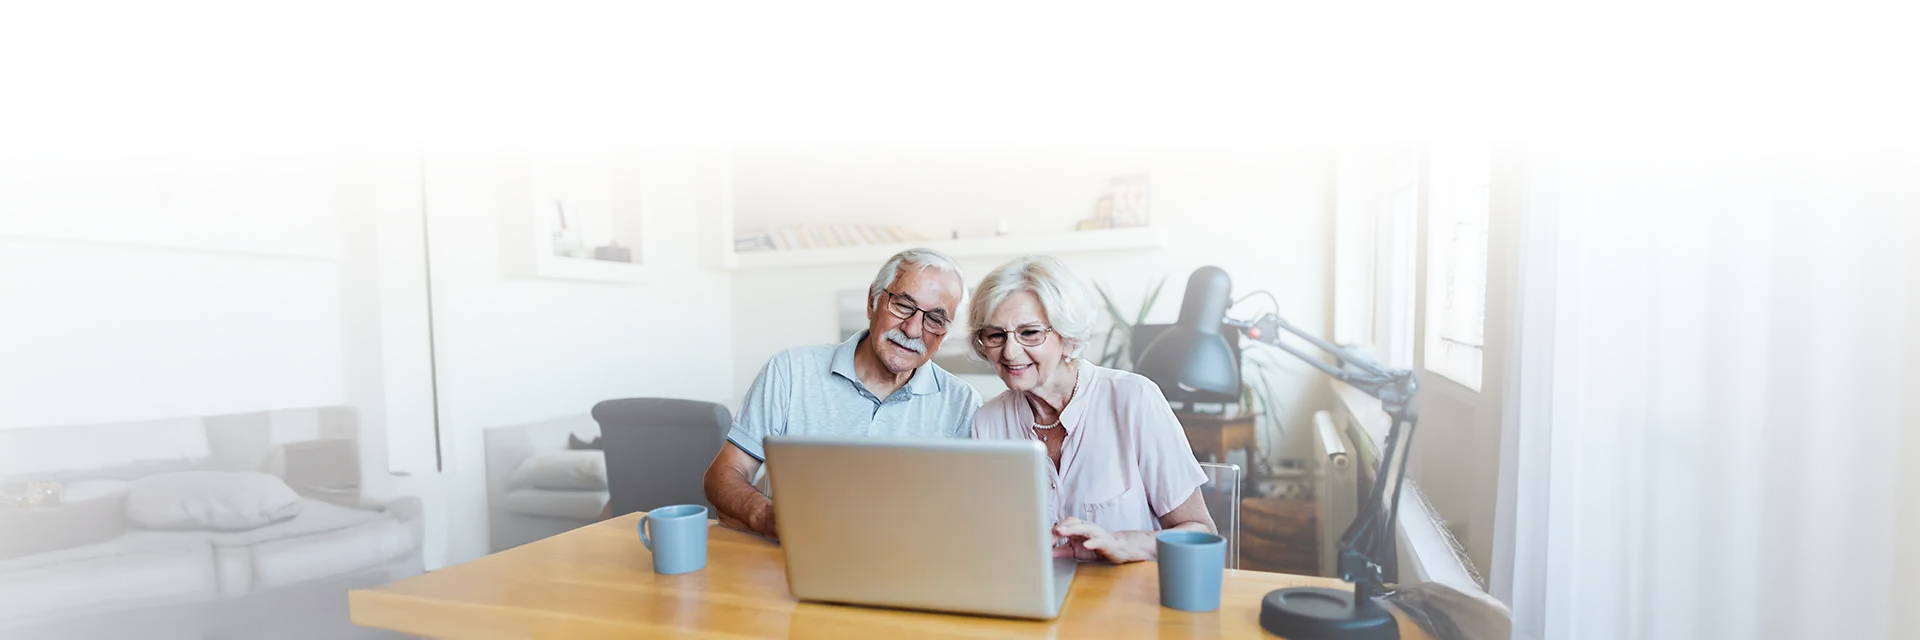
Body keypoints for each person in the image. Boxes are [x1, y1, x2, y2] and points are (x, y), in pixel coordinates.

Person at [704, 249, 984, 542]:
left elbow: (972, 516)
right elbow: (723, 474)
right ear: (872, 303)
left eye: (935, 320)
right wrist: (763, 516)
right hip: (792, 560)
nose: (913, 330)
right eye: (903, 305)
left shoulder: (962, 403)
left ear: (945, 335)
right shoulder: (789, 371)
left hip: (910, 566)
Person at [964, 254, 1216, 564]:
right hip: (1031, 598)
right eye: (995, 335)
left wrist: (1123, 544)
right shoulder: (987, 422)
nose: (1010, 350)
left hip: (1127, 602)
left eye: (1030, 332)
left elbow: (1200, 531)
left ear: (1066, 337)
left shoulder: (1134, 399)